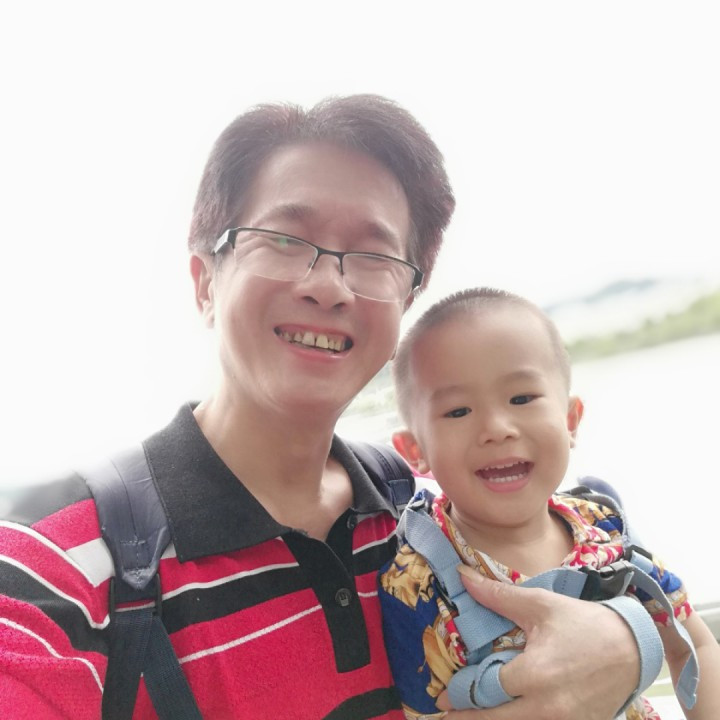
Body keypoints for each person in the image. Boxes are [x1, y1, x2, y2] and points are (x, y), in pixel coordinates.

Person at [1, 95, 655, 720]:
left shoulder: (424, 507)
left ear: (404, 304)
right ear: (205, 282)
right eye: (285, 240)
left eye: (373, 256)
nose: (328, 287)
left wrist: (632, 638)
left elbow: (591, 562)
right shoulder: (57, 566)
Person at [381, 287, 720, 719]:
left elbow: (692, 643)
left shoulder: (606, 529)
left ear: (570, 420)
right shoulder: (415, 582)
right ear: (414, 451)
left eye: (521, 399)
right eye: (458, 411)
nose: (497, 428)